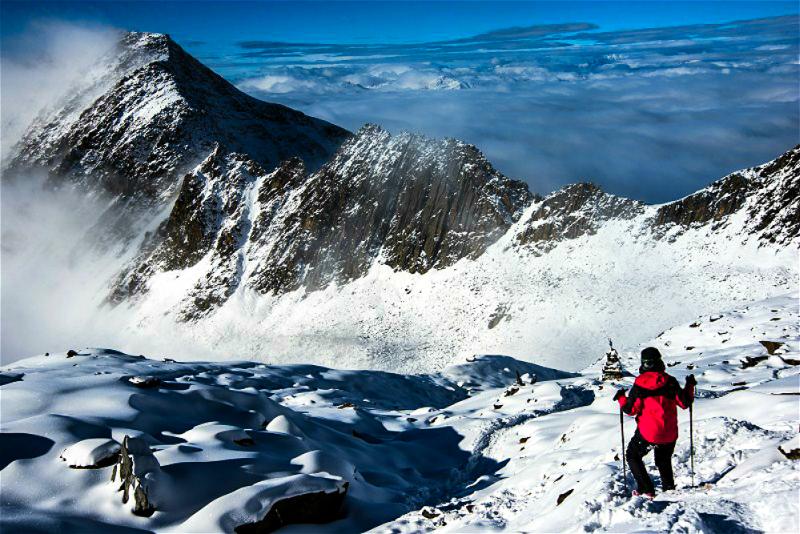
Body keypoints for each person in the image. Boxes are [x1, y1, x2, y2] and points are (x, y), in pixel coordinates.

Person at [613, 347, 696, 497]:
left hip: (648, 433)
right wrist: (690, 385)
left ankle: (646, 489)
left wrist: (620, 398)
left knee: (632, 455)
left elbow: (630, 410)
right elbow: (685, 403)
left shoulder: (639, 384)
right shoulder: (670, 381)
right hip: (669, 432)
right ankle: (669, 489)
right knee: (663, 459)